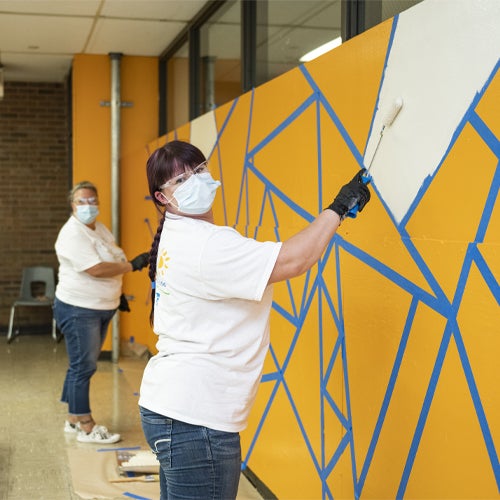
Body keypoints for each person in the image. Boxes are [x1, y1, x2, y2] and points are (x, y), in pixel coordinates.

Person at [139, 140, 370, 499]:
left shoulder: (178, 235)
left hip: (172, 407)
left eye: (199, 171)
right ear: (162, 198)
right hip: (195, 417)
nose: (196, 182)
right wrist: (338, 208)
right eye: (181, 181)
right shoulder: (205, 246)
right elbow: (294, 260)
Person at [54, 180, 149, 444]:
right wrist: (132, 266)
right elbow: (95, 269)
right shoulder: (72, 234)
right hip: (80, 309)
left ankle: (73, 420)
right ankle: (86, 425)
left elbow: (112, 258)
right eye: (81, 201)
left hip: (100, 307)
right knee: (83, 367)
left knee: (80, 365)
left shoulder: (99, 229)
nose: (88, 206)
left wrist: (117, 295)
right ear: (72, 205)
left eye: (92, 200)